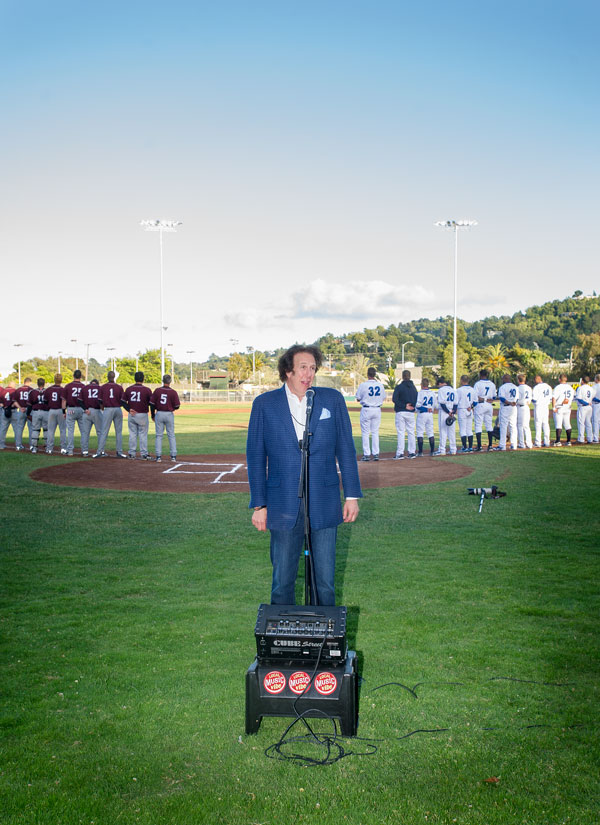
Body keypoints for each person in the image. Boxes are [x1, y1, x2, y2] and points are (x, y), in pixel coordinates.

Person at [246, 344, 361, 606]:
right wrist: (259, 505)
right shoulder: (264, 404)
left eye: (312, 368)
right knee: (282, 582)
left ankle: (325, 642)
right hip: (282, 505)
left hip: (324, 502)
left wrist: (351, 495)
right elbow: (255, 457)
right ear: (288, 370)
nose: (308, 374)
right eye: (302, 368)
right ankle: (283, 642)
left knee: (325, 583)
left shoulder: (331, 399)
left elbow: (345, 447)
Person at [94, 371, 126, 458]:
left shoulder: (103, 387)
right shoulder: (119, 387)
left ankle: (100, 451)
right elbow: (123, 401)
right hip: (117, 409)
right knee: (118, 432)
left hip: (108, 409)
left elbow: (100, 401)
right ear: (114, 377)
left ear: (108, 377)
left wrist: (102, 408)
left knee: (104, 431)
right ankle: (119, 452)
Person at [355, 367, 385, 461]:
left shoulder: (363, 385)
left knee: (365, 433)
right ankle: (376, 454)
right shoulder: (380, 385)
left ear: (367, 374)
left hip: (366, 409)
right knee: (375, 432)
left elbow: (358, 398)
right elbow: (383, 397)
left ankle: (367, 454)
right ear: (375, 374)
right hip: (377, 409)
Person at [123, 371, 153, 459]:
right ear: (143, 379)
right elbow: (151, 403)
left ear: (134, 378)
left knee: (132, 434)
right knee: (143, 434)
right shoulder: (147, 390)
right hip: (142, 414)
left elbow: (122, 401)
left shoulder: (129, 389)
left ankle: (132, 453)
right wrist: (152, 414)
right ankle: (144, 454)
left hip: (132, 414)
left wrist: (129, 409)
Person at [151, 374, 180, 462]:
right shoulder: (173, 392)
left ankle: (158, 456)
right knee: (171, 435)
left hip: (159, 413)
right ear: (170, 381)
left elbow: (152, 404)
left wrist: (152, 415)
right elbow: (177, 406)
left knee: (159, 435)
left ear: (163, 381)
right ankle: (173, 456)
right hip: (169, 414)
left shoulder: (157, 390)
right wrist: (171, 407)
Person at [392, 369, 418, 459]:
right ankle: (412, 452)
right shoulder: (414, 388)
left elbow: (394, 399)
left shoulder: (399, 387)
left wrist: (404, 406)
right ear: (410, 376)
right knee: (411, 432)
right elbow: (416, 400)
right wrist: (412, 406)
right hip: (410, 412)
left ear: (402, 377)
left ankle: (400, 453)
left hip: (401, 412)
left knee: (401, 432)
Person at [472, 369, 496, 451]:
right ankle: (490, 446)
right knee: (489, 425)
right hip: (489, 405)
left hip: (480, 405)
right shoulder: (492, 384)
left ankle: (479, 446)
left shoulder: (478, 384)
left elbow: (475, 396)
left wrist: (483, 399)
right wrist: (487, 399)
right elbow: (494, 397)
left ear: (480, 375)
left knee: (478, 425)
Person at [63, 369, 86, 456]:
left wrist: (63, 411)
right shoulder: (84, 386)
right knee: (83, 431)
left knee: (70, 431)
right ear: (80, 376)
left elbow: (64, 400)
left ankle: (70, 451)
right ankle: (84, 451)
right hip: (81, 409)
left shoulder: (68, 386)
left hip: (71, 409)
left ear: (73, 376)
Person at [43, 374, 67, 454]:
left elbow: (45, 401)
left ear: (54, 379)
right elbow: (64, 401)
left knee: (51, 431)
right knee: (62, 430)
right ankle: (63, 448)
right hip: (60, 410)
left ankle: (49, 449)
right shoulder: (63, 390)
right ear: (61, 380)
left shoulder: (48, 389)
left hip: (51, 410)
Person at [434, 377, 457, 456]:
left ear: (440, 383)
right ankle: (453, 449)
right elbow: (455, 403)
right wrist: (452, 412)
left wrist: (448, 412)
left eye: (438, 385)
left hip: (444, 412)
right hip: (452, 411)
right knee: (451, 431)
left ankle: (442, 450)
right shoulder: (453, 390)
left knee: (443, 431)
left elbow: (442, 403)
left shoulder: (441, 390)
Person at [495, 374, 518, 451]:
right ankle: (514, 444)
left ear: (505, 379)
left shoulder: (503, 387)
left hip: (506, 407)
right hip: (513, 408)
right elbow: (517, 399)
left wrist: (509, 402)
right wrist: (513, 403)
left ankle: (502, 445)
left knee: (503, 426)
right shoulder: (515, 387)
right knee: (513, 426)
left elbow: (502, 398)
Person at [80, 379, 103, 457]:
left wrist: (85, 409)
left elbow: (79, 400)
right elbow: (101, 401)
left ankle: (84, 451)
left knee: (85, 433)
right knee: (100, 432)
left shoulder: (85, 388)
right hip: (97, 411)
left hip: (87, 412)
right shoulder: (100, 388)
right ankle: (101, 451)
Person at [415, 377, 436, 456]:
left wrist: (425, 409)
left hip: (422, 414)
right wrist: (429, 409)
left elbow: (417, 405)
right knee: (430, 432)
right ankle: (432, 451)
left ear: (421, 385)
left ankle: (420, 452)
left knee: (420, 432)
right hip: (430, 414)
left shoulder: (420, 393)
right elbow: (435, 405)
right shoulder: (433, 393)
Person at [552, 374, 574, 447]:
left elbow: (554, 398)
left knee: (558, 424)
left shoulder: (558, 387)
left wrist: (554, 407)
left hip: (560, 406)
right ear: (566, 379)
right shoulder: (570, 387)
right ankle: (568, 441)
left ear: (559, 379)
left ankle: (558, 441)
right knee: (567, 423)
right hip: (567, 407)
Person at [11, 377, 33, 451]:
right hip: (29, 411)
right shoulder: (31, 390)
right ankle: (31, 446)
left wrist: (20, 408)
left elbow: (14, 401)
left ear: (24, 382)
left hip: (21, 410)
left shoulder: (18, 390)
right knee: (31, 428)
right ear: (29, 382)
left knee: (19, 428)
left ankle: (18, 445)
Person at [27, 378, 49, 453]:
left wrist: (28, 414)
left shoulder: (32, 392)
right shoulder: (47, 391)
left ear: (37, 383)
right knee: (46, 430)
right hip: (46, 412)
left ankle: (34, 447)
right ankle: (47, 447)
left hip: (36, 412)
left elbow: (29, 405)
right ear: (44, 383)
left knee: (35, 429)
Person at [456, 375, 475, 453]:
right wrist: (471, 407)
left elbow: (456, 401)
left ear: (461, 380)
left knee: (463, 430)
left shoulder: (459, 390)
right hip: (469, 409)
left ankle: (464, 447)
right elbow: (475, 401)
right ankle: (470, 447)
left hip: (462, 409)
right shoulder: (472, 389)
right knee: (469, 429)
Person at [531, 375, 552, 448]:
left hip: (539, 406)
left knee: (538, 424)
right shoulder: (548, 386)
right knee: (546, 424)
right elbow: (550, 398)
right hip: (546, 406)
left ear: (537, 379)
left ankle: (538, 442)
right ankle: (547, 442)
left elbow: (534, 399)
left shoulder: (536, 387)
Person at [516, 373, 533, 449]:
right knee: (526, 426)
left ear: (518, 380)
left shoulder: (518, 388)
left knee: (520, 426)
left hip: (520, 407)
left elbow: (516, 399)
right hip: (526, 407)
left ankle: (521, 443)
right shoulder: (529, 388)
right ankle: (529, 444)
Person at [575, 376, 593, 443]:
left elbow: (579, 399)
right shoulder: (591, 388)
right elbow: (593, 398)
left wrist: (586, 403)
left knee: (581, 423)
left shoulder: (580, 388)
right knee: (588, 423)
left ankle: (581, 439)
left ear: (582, 381)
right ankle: (590, 438)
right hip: (589, 407)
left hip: (583, 407)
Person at [0, 382, 17, 450]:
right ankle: (18, 445)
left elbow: (1, 403)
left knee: (3, 429)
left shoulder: (3, 391)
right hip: (13, 411)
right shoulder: (14, 391)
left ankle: (1, 445)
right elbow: (15, 402)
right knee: (16, 429)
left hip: (4, 410)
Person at [592, 373, 600, 443]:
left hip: (596, 405)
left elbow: (593, 397)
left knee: (595, 421)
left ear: (597, 379)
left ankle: (596, 438)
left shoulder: (594, 387)